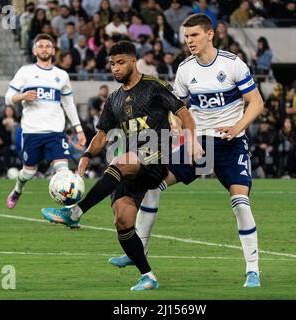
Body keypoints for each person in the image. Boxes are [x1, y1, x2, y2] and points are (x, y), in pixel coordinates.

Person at [107, 14, 264, 288]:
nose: (189, 41)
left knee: (240, 201)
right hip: (198, 144)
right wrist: (179, 128)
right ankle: (139, 251)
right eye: (186, 36)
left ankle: (253, 270)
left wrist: (238, 126)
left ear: (209, 35)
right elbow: (176, 109)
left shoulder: (232, 64)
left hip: (229, 144)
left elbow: (256, 102)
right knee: (152, 184)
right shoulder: (185, 69)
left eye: (194, 35)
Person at [41, 40, 201, 291]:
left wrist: (191, 141)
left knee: (121, 160)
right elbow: (102, 135)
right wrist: (86, 155)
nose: (115, 68)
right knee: (123, 221)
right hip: (131, 166)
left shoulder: (154, 87)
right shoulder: (114, 99)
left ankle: (75, 212)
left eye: (120, 63)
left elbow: (184, 113)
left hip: (155, 158)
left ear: (133, 61)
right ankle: (148, 276)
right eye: (112, 64)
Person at [4, 33, 86, 209]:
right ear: (35, 50)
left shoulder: (62, 75)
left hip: (56, 133)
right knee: (28, 172)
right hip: (31, 132)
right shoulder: (25, 72)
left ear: (53, 50)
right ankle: (18, 190)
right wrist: (23, 96)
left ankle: (69, 211)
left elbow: (69, 104)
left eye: (48, 46)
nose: (44, 49)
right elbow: (8, 98)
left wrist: (79, 130)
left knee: (63, 171)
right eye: (40, 46)